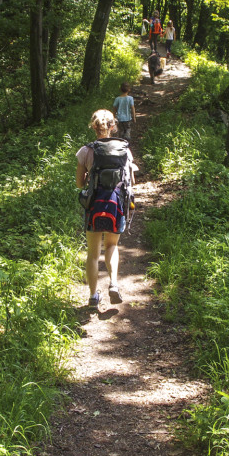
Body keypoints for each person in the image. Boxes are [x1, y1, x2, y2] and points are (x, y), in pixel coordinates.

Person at [76, 109, 136, 308]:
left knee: (93, 254)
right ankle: (114, 284)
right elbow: (131, 181)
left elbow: (79, 184)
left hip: (94, 204)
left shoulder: (86, 151)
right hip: (115, 204)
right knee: (112, 246)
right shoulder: (125, 150)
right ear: (113, 126)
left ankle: (93, 296)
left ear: (94, 127)